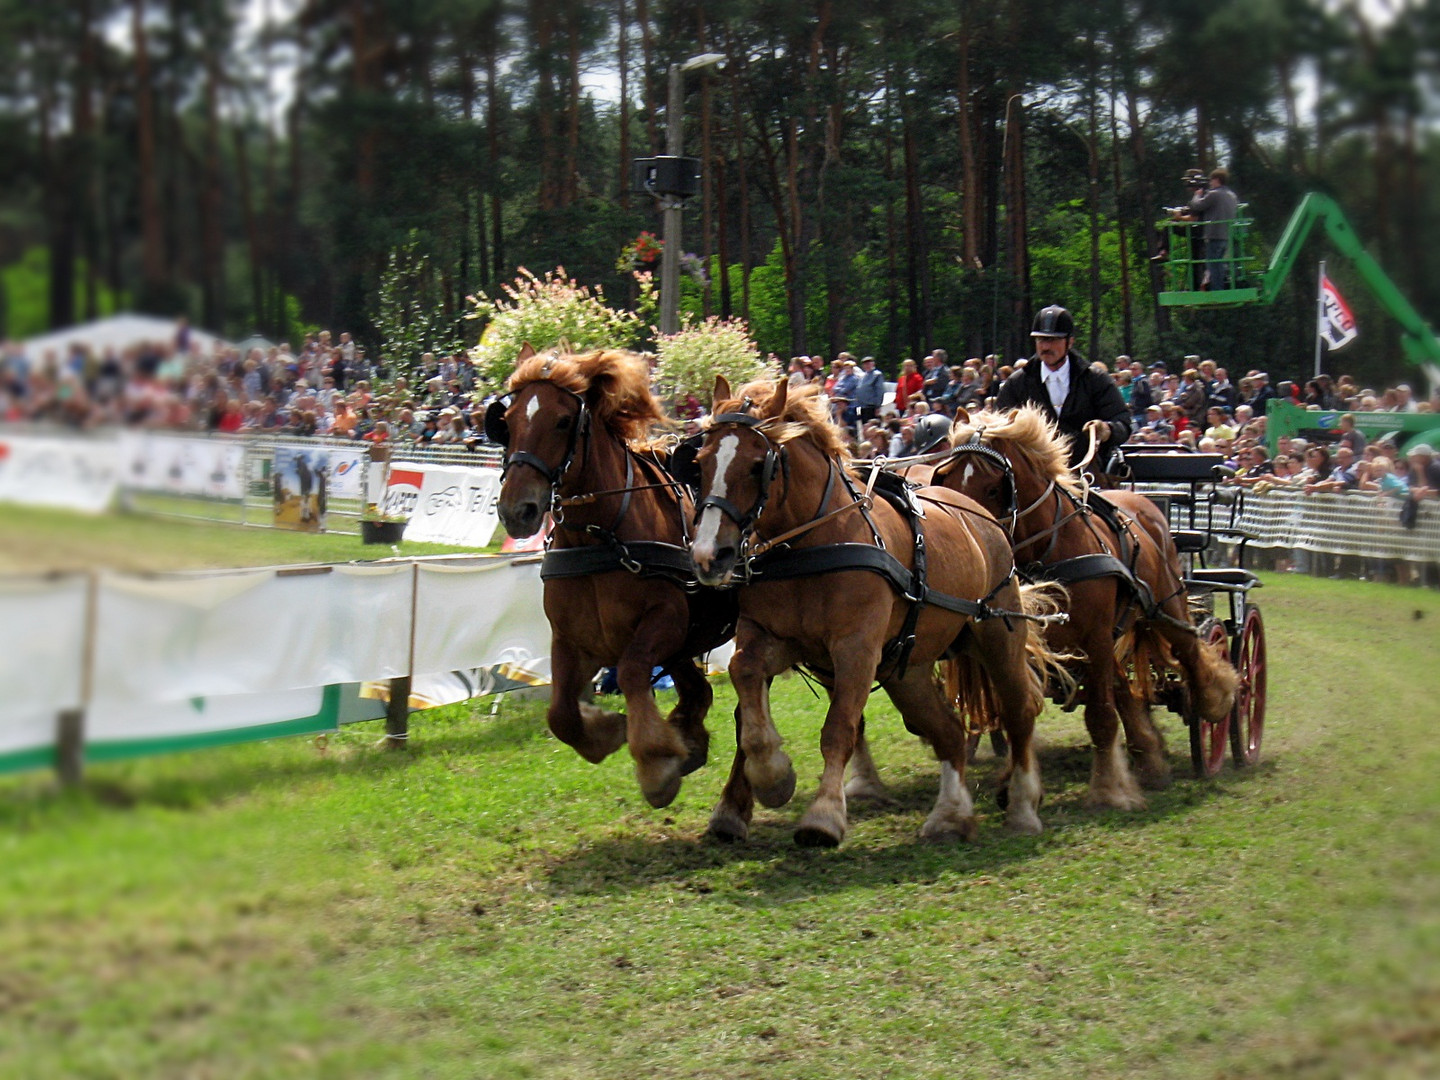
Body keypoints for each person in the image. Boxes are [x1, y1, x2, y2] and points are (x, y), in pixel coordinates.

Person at [995, 305, 1131, 468]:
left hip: (1087, 472)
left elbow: (1123, 423)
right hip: (1033, 474)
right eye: (1041, 340)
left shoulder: (1095, 379)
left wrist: (1106, 429)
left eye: (1053, 340)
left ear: (1070, 341)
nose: (1045, 347)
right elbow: (999, 426)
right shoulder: (1017, 383)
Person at [1189, 167, 1239, 289]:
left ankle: (1217, 289)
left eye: (1211, 180)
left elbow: (1197, 205)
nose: (1210, 183)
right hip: (1226, 235)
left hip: (1214, 235)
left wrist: (1197, 195)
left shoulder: (1214, 194)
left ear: (1217, 180)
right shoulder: (1232, 195)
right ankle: (1220, 286)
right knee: (1219, 263)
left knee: (1212, 264)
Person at [854, 356, 885, 423]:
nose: (867, 366)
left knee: (871, 425)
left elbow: (879, 390)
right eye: (865, 364)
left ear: (873, 364)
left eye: (868, 363)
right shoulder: (862, 376)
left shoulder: (877, 375)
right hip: (862, 406)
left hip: (871, 406)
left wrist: (878, 406)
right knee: (864, 426)